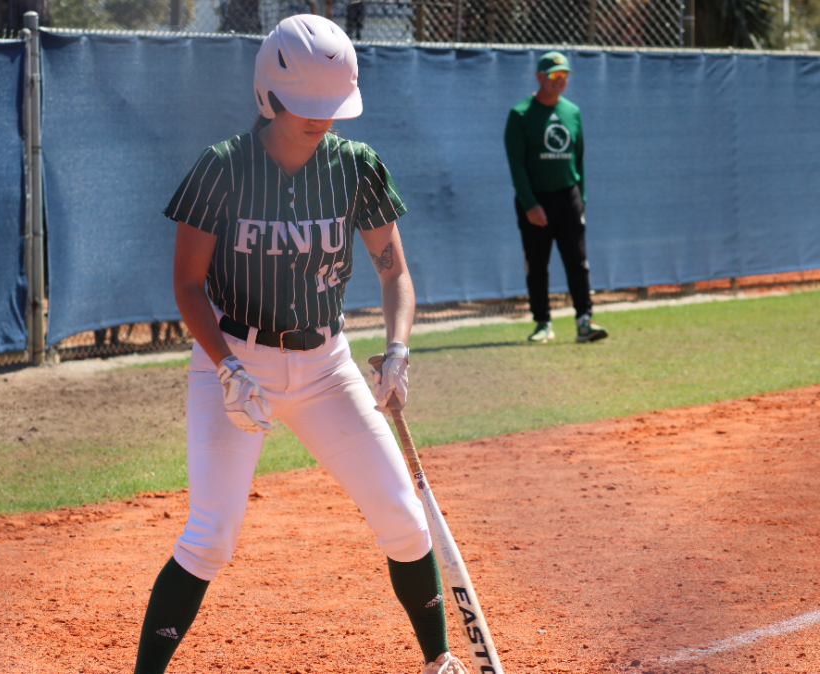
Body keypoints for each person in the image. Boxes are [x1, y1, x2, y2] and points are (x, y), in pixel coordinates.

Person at [132, 15, 468, 674]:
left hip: (327, 369)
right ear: (269, 95)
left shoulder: (356, 167)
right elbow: (188, 286)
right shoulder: (223, 168)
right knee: (211, 537)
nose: (321, 121)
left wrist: (399, 348)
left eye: (331, 108)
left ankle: (440, 663)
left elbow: (395, 272)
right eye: (307, 107)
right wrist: (227, 367)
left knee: (404, 521)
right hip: (236, 364)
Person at [504, 51, 608, 344]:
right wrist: (529, 205)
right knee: (537, 265)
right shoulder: (520, 114)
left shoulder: (572, 112)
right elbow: (517, 166)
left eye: (564, 76)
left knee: (578, 261)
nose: (560, 81)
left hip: (569, 198)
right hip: (536, 202)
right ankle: (542, 323)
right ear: (540, 77)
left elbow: (580, 158)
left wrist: (581, 200)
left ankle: (585, 321)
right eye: (554, 75)